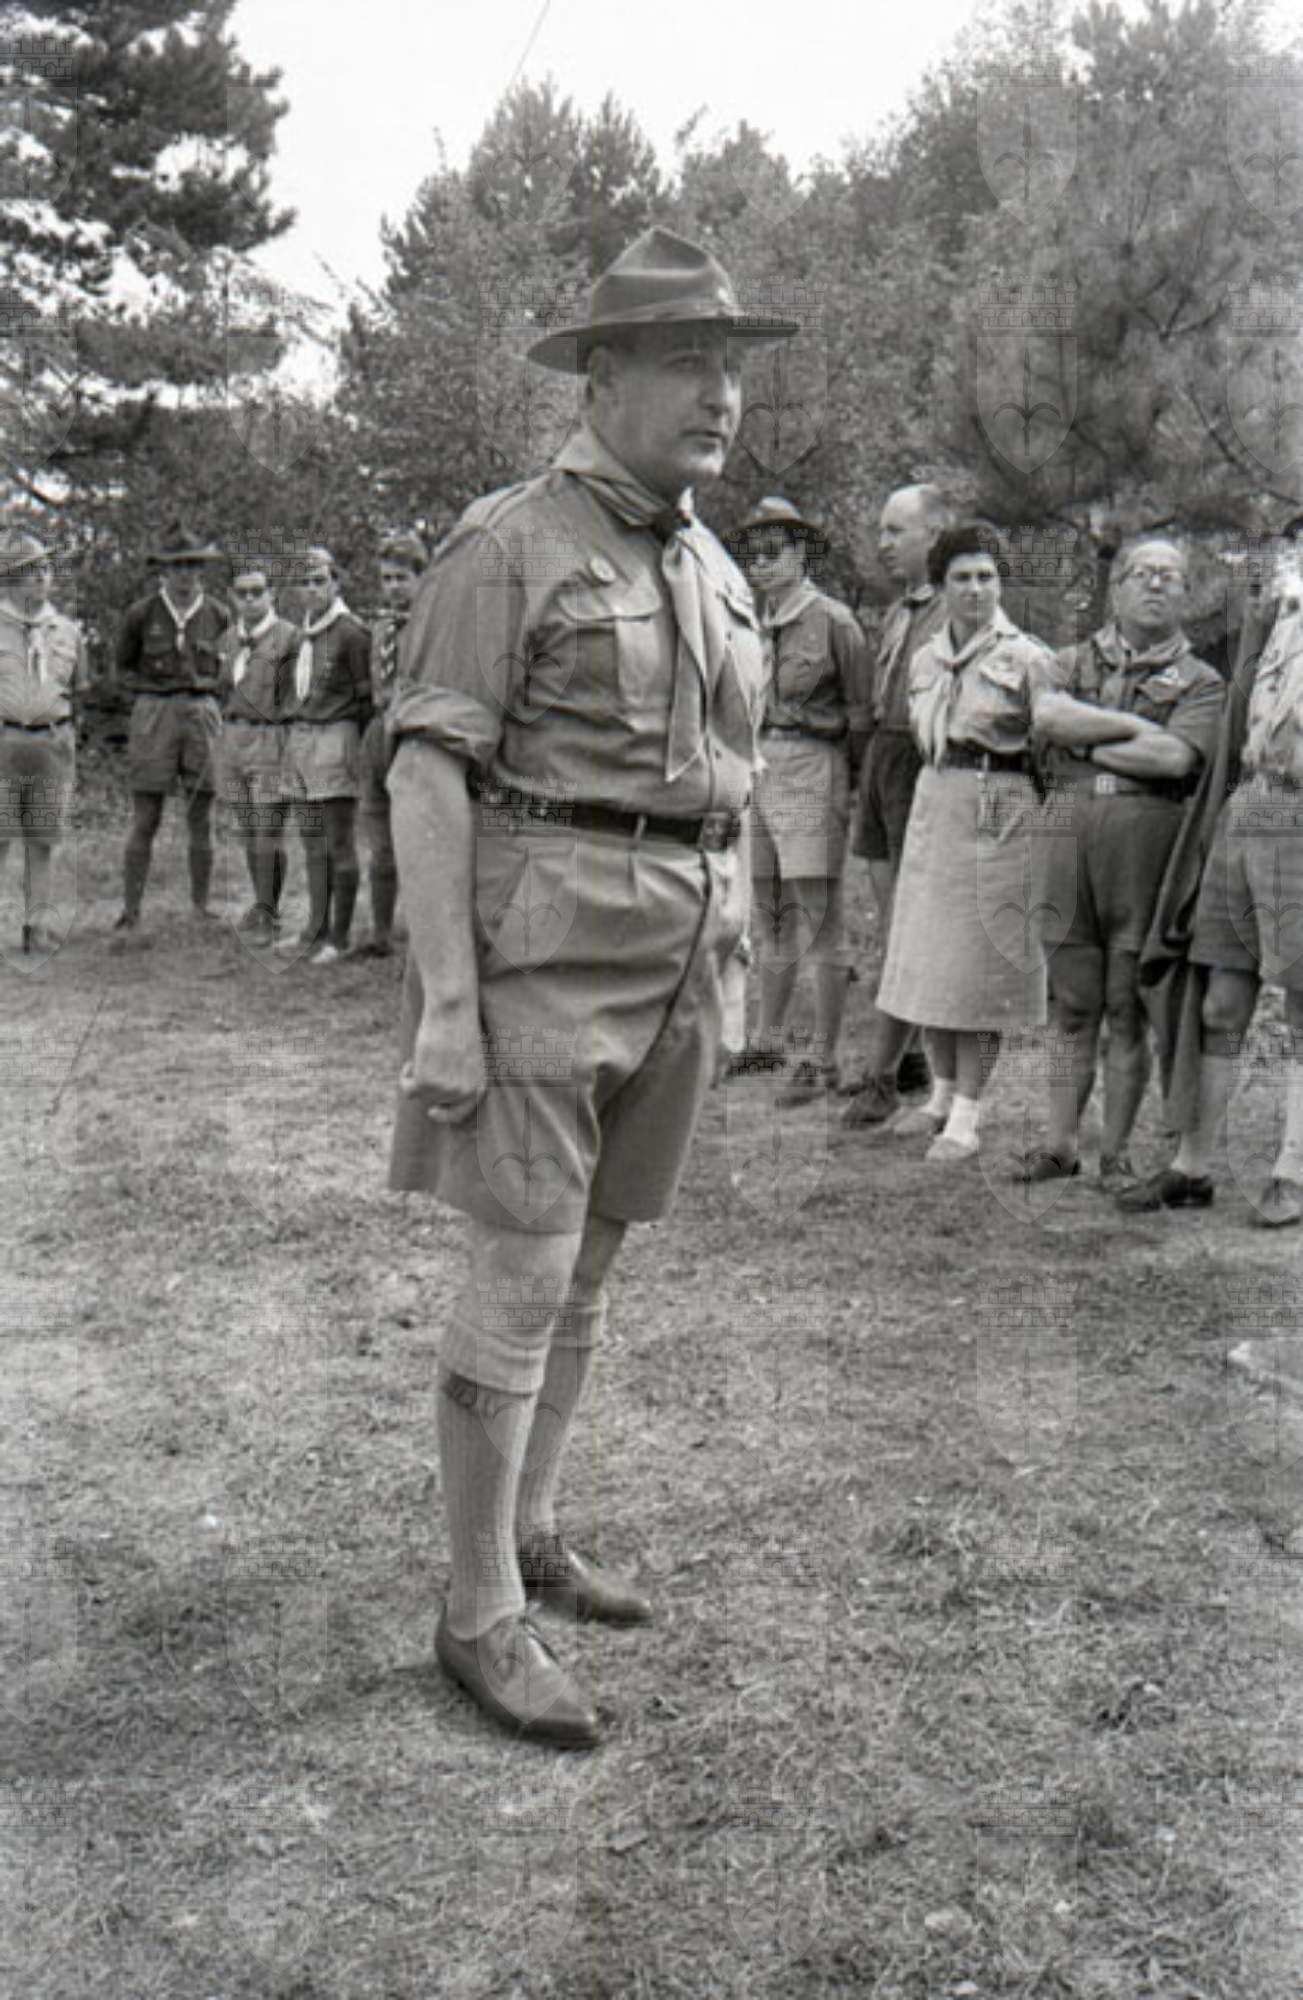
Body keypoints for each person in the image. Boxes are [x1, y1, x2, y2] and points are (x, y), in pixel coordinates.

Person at [387, 225, 795, 1747]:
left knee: (593, 1267)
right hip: (543, 955)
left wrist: (733, 950)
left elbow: (729, 782)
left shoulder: (711, 563)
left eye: (730, 368)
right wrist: (446, 1005)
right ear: (601, 376)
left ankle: (533, 1532)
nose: (720, 396)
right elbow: (427, 772)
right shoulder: (506, 543)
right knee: (522, 1269)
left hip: (676, 961)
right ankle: (476, 1610)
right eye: (688, 363)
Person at [1016, 541, 1224, 1189]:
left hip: (1145, 843)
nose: (1155, 586)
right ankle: (1058, 1144)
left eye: (1170, 577)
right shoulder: (1068, 660)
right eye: (1143, 574)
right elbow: (1046, 714)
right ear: (1117, 588)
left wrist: (1084, 741)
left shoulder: (1202, 680)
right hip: (1064, 834)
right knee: (1070, 1000)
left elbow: (1174, 759)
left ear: (1186, 593)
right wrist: (1131, 733)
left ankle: (1115, 1153)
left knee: (1127, 1001)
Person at [1119, 530, 1303, 1226]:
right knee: (1221, 999)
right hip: (1249, 805)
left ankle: (1292, 1169)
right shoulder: (1275, 618)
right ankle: (1192, 1166)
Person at [872, 521, 1065, 1163]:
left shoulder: (1028, 658)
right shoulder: (926, 658)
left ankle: (968, 1115)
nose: (975, 589)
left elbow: (1052, 750)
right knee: (930, 955)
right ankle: (940, 1094)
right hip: (936, 801)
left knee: (980, 965)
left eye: (986, 577)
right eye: (962, 577)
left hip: (998, 808)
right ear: (941, 585)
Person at [724, 496, 871, 1102]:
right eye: (752, 554)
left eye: (773, 552)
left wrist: (848, 787)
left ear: (802, 554)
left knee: (818, 916)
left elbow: (860, 714)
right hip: (761, 765)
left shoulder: (834, 621)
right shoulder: (752, 621)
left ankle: (824, 1057)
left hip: (814, 763)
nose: (760, 564)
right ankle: (768, 1038)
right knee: (770, 909)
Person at [841, 485, 950, 1127]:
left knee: (911, 920)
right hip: (884, 755)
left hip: (918, 758)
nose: (883, 544)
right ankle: (908, 1057)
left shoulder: (954, 606)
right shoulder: (898, 612)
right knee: (889, 916)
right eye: (882, 530)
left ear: (933, 535)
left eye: (896, 531)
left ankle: (886, 1073)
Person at [112, 523, 229, 946]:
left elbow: (231, 669)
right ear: (163, 570)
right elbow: (122, 668)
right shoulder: (141, 614)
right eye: (177, 566)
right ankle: (131, 911)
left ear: (202, 570)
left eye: (192, 566)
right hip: (154, 713)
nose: (185, 574)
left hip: (201, 712)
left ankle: (201, 907)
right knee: (146, 815)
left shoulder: (218, 613)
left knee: (202, 813)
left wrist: (209, 696)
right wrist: (149, 697)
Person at [279, 547, 372, 966]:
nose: (312, 589)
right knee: (312, 840)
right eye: (305, 582)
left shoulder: (351, 632)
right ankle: (314, 928)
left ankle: (340, 936)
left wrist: (352, 744)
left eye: (320, 580)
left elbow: (365, 697)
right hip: (302, 736)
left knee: (339, 840)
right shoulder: (302, 632)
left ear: (335, 583)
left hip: (336, 735)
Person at [0, 532, 87, 954]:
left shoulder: (67, 631)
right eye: (29, 571)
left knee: (42, 839)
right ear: (10, 580)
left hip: (51, 743)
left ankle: (37, 925)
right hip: (4, 743)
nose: (41, 578)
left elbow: (79, 691)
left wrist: (67, 737)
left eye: (46, 570)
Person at [217, 560, 299, 944]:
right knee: (247, 827)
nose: (249, 600)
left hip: (271, 736)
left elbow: (295, 694)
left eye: (257, 592)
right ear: (232, 597)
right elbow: (223, 688)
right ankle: (260, 904)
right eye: (242, 593)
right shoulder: (229, 639)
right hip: (234, 736)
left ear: (272, 594)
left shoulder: (290, 637)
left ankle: (269, 911)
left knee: (268, 828)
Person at [355, 531, 428, 958]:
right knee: (379, 838)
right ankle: (381, 934)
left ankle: (424, 939)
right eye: (386, 578)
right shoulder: (380, 627)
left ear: (421, 577)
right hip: (379, 731)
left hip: (415, 732)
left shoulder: (433, 625)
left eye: (402, 577)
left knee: (418, 840)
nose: (394, 586)